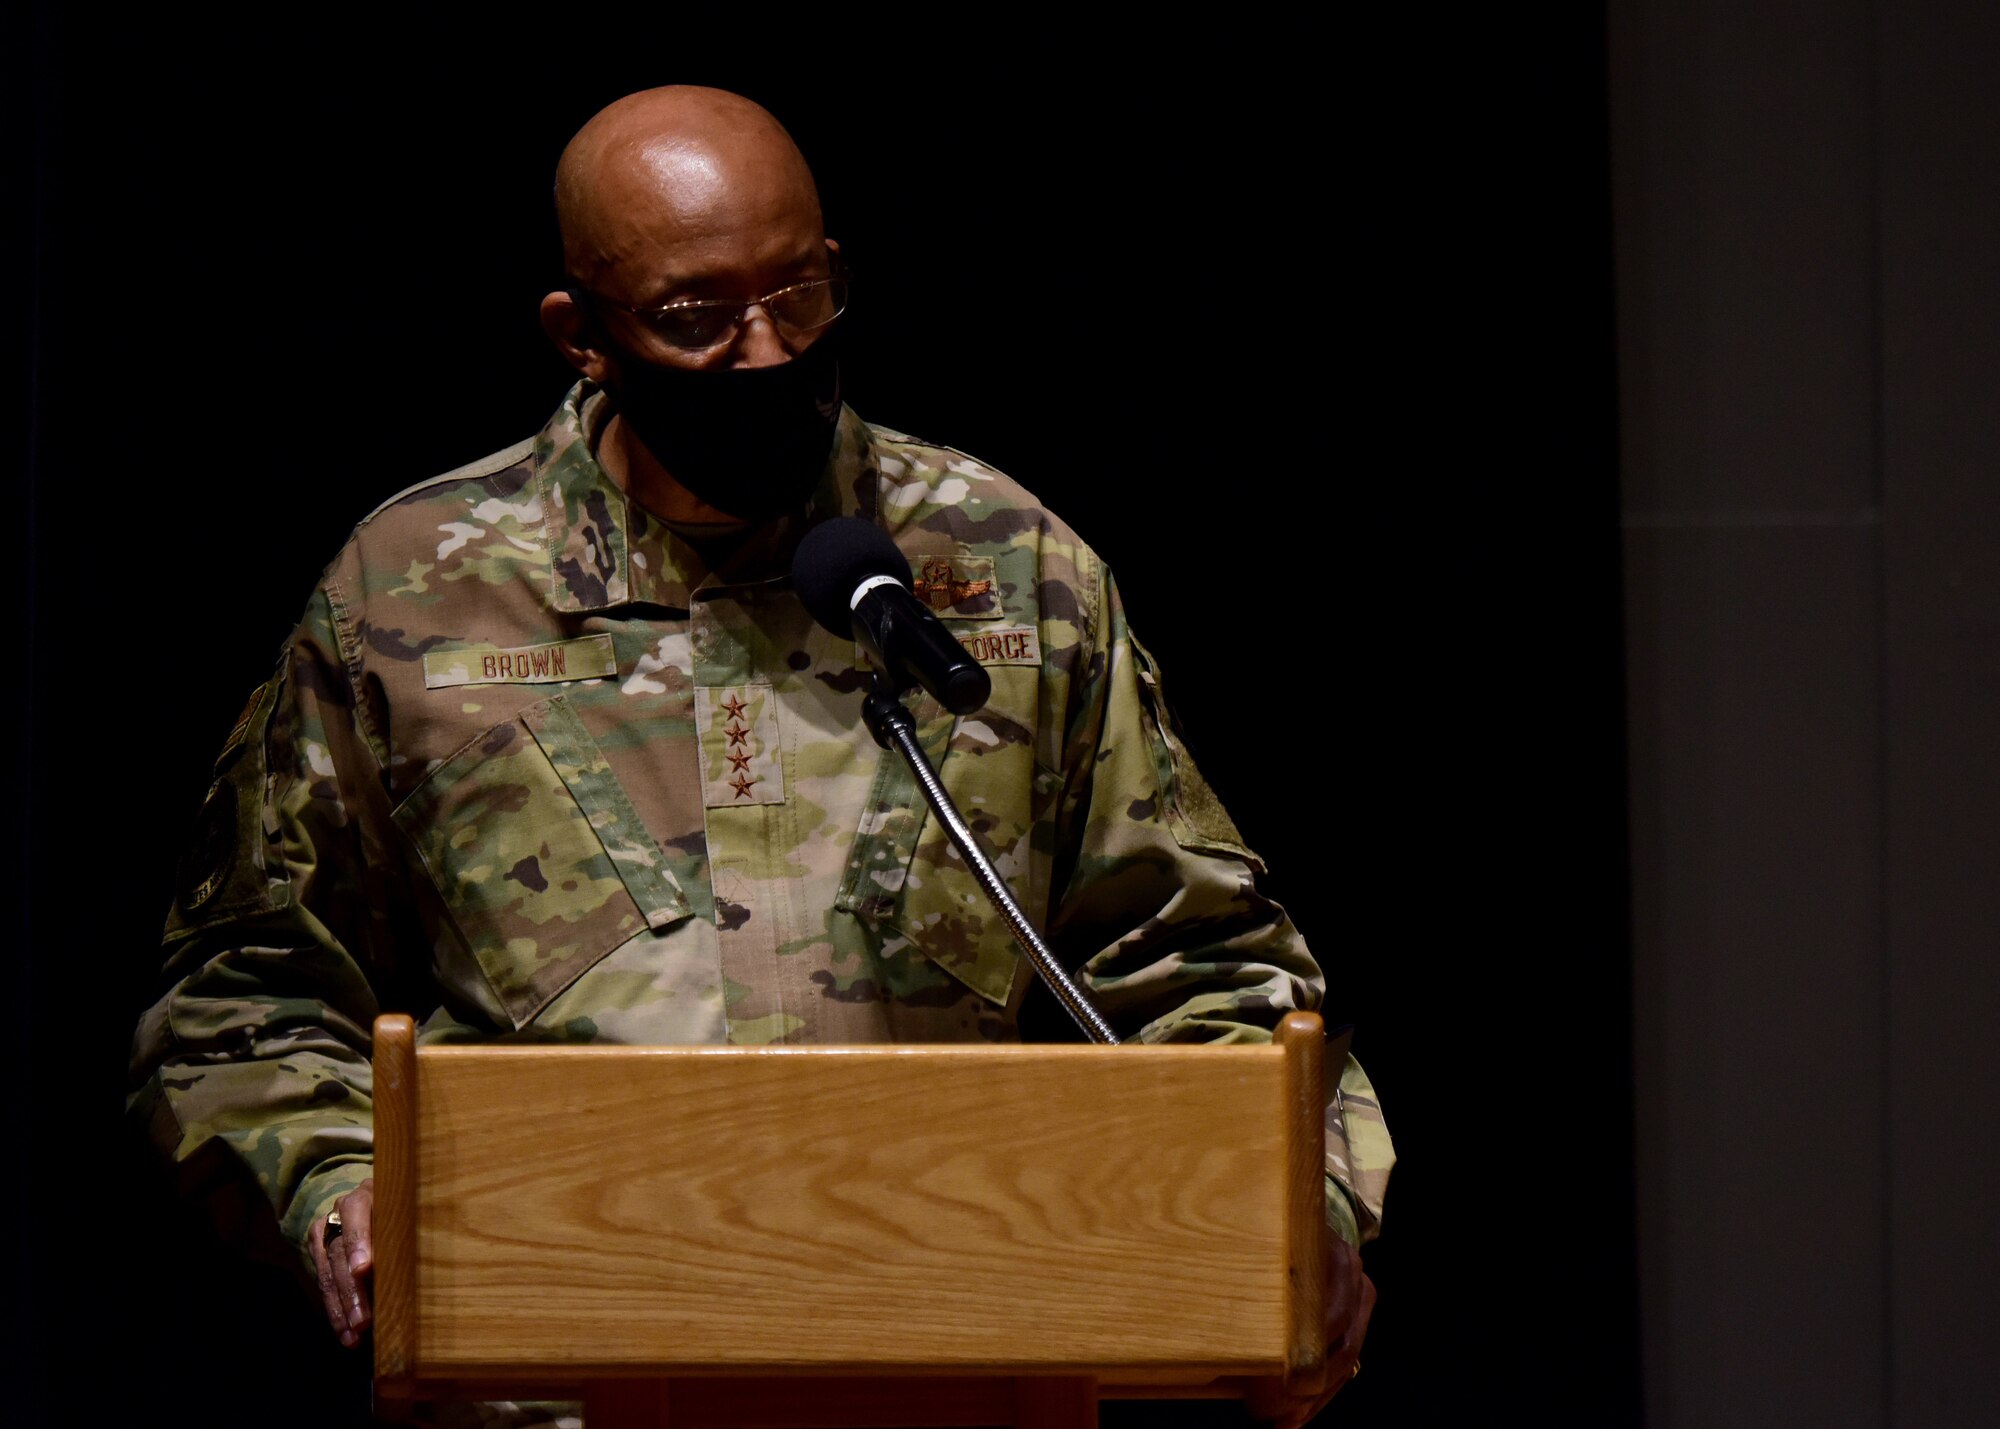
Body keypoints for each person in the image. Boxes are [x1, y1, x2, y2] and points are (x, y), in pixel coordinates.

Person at [128, 86, 1392, 1428]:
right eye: (696, 316)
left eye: (801, 293)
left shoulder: (1002, 568)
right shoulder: (414, 594)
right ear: (583, 336)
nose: (765, 349)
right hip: (558, 1378)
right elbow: (236, 998)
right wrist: (341, 1185)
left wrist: (1293, 1207)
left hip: (966, 1369)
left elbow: (1214, 972)